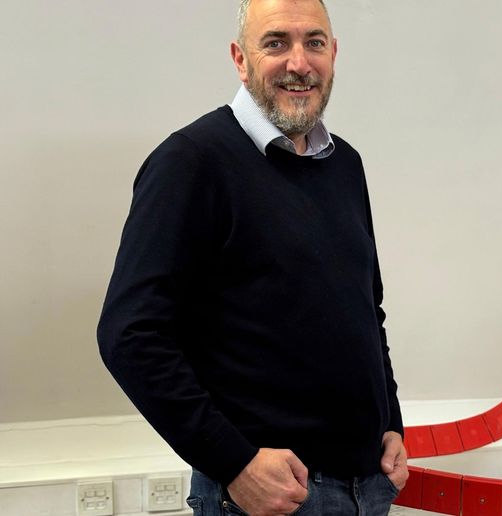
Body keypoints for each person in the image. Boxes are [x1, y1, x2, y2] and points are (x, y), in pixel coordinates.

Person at [97, 0, 407, 514]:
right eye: (276, 43)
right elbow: (129, 335)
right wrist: (234, 462)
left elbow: (365, 313)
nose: (299, 63)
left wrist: (390, 421)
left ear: (333, 53)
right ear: (240, 59)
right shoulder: (190, 162)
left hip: (368, 486)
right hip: (266, 497)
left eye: (314, 42)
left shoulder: (345, 164)